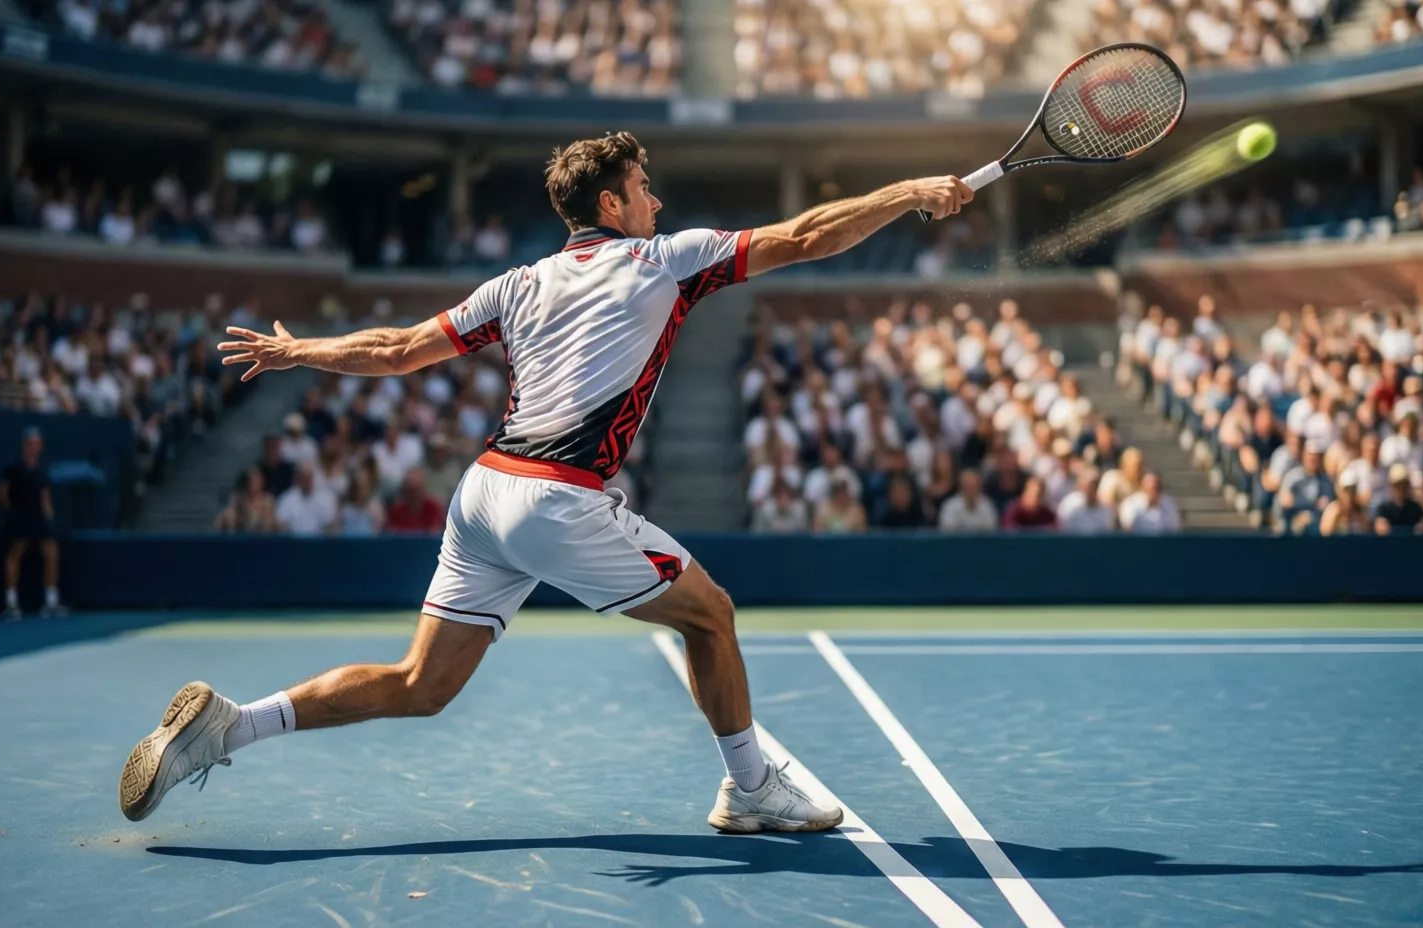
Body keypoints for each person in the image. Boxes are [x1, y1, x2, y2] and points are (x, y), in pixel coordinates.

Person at [119, 133, 973, 828]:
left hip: (483, 493)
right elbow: (807, 235)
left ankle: (231, 727)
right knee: (711, 616)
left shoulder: (516, 286)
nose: (657, 202)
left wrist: (297, 348)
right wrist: (904, 193)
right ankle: (750, 789)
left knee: (422, 686)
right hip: (555, 498)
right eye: (644, 188)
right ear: (611, 205)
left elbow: (393, 351)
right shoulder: (663, 261)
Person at [0, 427, 66, 618]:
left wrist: (49, 519)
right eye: (31, 443)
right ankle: (11, 603)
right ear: (24, 445)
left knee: (51, 551)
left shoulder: (41, 473)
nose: (34, 447)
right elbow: (2, 495)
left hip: (39, 519)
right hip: (20, 516)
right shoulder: (13, 469)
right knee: (15, 553)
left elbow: (45, 500)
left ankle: (51, 601)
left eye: (37, 444)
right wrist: (13, 513)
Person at [1373, 464, 1423, 535]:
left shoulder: (1416, 509)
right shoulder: (1383, 509)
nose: (1400, 488)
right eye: (1397, 485)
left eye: (1403, 484)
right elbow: (1379, 526)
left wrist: (1422, 526)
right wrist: (1381, 526)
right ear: (1390, 485)